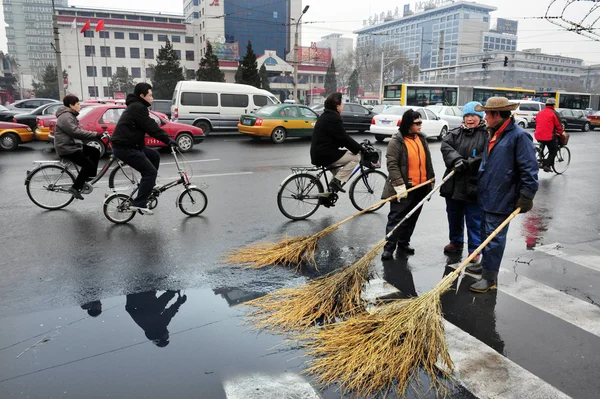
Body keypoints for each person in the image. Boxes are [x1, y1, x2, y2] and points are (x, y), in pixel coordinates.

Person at [467, 97, 539, 293]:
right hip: (487, 194)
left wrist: (526, 195)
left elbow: (529, 169)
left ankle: (490, 277)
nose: (485, 117)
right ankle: (485, 265)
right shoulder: (494, 134)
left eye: (487, 114)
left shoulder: (518, 136)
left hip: (503, 196)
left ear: (497, 115)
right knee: (485, 234)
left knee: (494, 238)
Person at [111, 83, 176, 215]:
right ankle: (139, 203)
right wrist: (168, 141)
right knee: (150, 172)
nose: (152, 98)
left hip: (132, 145)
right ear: (142, 96)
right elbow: (151, 128)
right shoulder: (138, 107)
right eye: (150, 95)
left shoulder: (137, 106)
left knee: (154, 155)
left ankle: (148, 185)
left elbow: (148, 125)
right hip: (125, 148)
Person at [380, 109, 435, 260]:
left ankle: (404, 243)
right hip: (404, 188)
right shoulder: (396, 141)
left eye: (421, 122)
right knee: (396, 219)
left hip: (421, 187)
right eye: (417, 123)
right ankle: (389, 248)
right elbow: (392, 165)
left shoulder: (421, 139)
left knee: (412, 218)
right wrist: (399, 186)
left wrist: (431, 180)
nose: (420, 125)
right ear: (408, 124)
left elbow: (427, 162)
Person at [440, 102, 487, 263]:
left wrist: (469, 163)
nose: (469, 119)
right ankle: (456, 241)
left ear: (480, 118)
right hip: (453, 183)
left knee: (474, 219)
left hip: (473, 184)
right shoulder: (455, 133)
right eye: (467, 116)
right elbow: (445, 146)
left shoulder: (486, 134)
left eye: (473, 116)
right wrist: (456, 160)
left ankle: (474, 250)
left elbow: (486, 154)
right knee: (454, 215)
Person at [310, 92, 363, 193]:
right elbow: (344, 138)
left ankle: (328, 195)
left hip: (319, 153)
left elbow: (337, 137)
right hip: (325, 154)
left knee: (339, 173)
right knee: (356, 157)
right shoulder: (333, 118)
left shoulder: (326, 116)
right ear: (337, 105)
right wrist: (359, 148)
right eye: (341, 103)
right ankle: (335, 182)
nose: (343, 104)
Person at [54, 94, 103, 200]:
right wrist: (95, 134)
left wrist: (95, 135)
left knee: (95, 151)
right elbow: (75, 132)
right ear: (71, 105)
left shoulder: (70, 115)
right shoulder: (66, 116)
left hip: (73, 145)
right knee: (88, 165)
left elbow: (77, 132)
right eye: (78, 104)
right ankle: (75, 188)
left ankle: (88, 177)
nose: (80, 106)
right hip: (67, 148)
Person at [534, 98, 565, 173]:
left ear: (546, 104)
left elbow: (537, 123)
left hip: (538, 135)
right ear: (553, 105)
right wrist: (560, 133)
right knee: (553, 150)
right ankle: (547, 165)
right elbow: (558, 126)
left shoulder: (540, 113)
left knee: (542, 147)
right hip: (549, 136)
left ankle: (541, 159)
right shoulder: (554, 113)